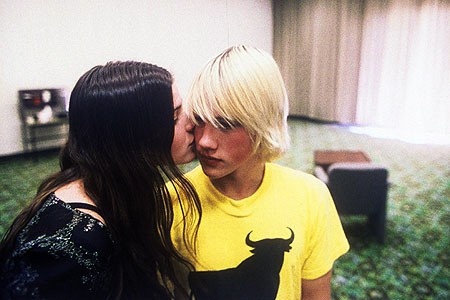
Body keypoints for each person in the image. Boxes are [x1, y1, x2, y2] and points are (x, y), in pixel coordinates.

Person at [0, 61, 201, 299]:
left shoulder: (119, 186)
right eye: (175, 117)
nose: (192, 123)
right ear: (133, 137)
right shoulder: (71, 248)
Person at [170, 45, 349, 299]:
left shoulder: (311, 196)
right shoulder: (170, 201)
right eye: (199, 120)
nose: (204, 141)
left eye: (226, 123)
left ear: (262, 123)